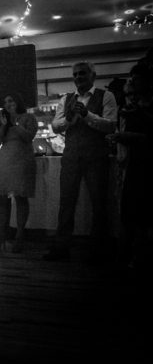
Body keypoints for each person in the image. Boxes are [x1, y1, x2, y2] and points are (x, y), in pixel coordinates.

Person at [44, 62, 117, 261]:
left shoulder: (106, 96)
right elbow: (56, 126)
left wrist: (86, 114)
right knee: (66, 202)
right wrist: (69, 119)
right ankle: (62, 247)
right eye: (75, 74)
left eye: (82, 73)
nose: (78, 77)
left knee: (99, 203)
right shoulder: (66, 99)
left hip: (96, 156)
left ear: (93, 76)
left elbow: (111, 125)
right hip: (71, 156)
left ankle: (98, 250)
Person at [105, 63, 153, 271]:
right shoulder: (132, 108)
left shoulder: (142, 110)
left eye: (136, 79)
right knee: (130, 212)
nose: (133, 84)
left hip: (145, 165)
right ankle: (128, 256)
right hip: (133, 164)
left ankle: (135, 257)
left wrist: (125, 137)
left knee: (141, 213)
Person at [0, 93, 37, 253]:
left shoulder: (29, 118)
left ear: (18, 102)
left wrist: (15, 124)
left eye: (10, 101)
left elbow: (28, 137)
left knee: (20, 196)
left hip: (22, 158)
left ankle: (19, 235)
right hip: (5, 158)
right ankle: (1, 236)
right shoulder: (2, 119)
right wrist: (4, 125)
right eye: (5, 102)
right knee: (0, 196)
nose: (8, 104)